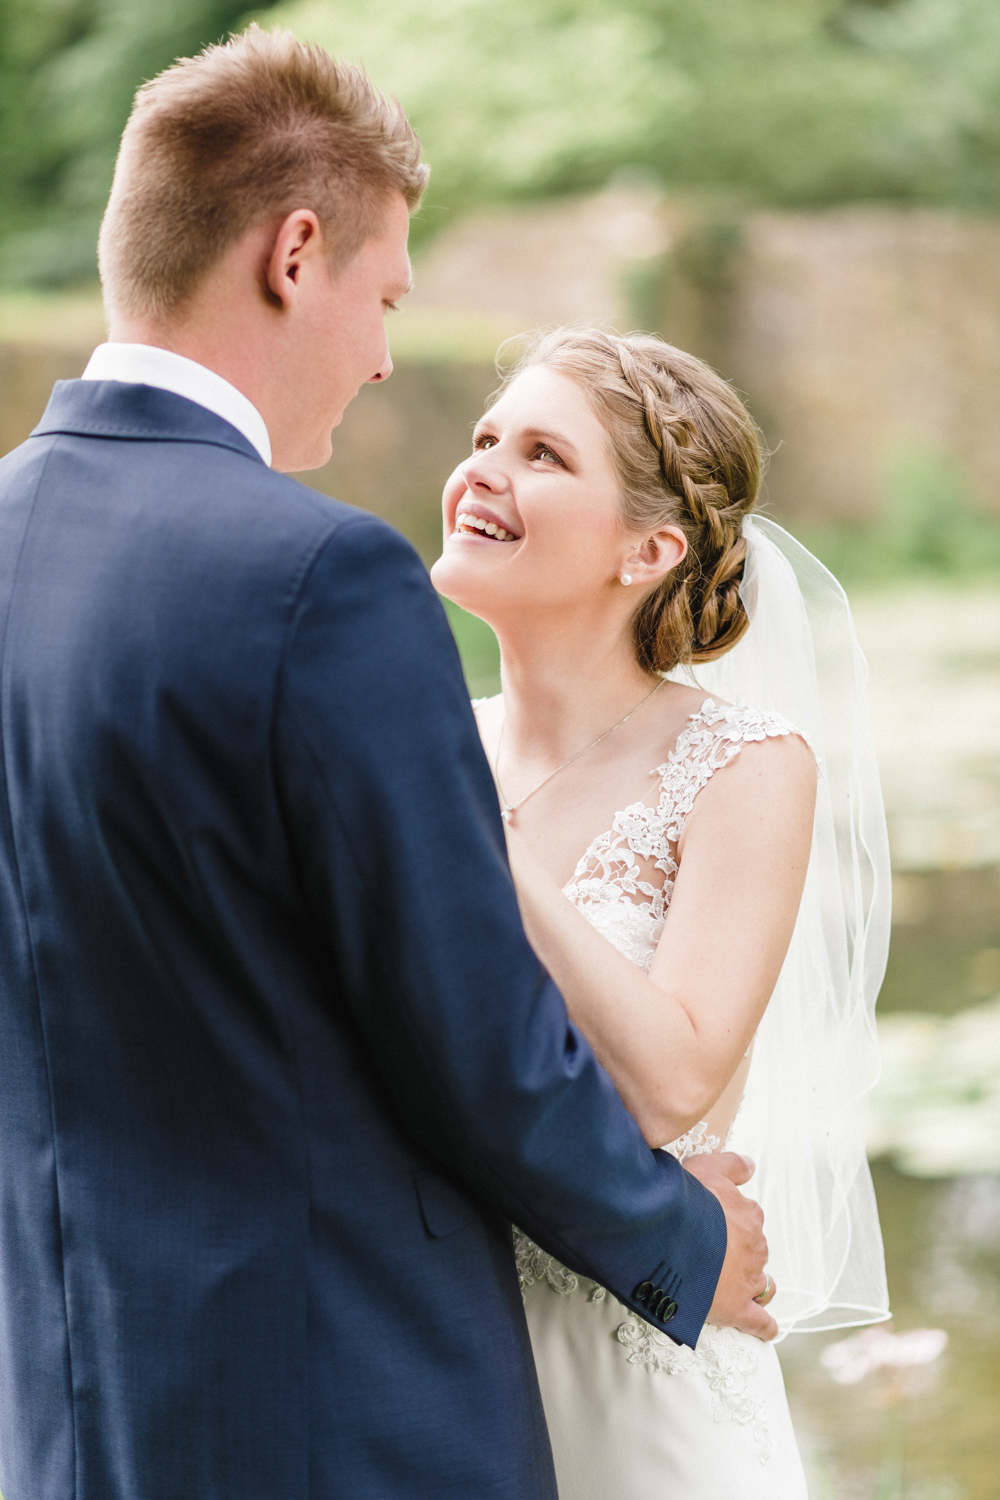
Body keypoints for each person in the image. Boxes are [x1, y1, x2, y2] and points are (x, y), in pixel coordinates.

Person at [0, 29, 775, 1500]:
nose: (378, 356)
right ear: (298, 254)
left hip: (65, 1405)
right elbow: (471, 1034)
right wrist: (679, 1236)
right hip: (336, 1411)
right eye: (386, 297)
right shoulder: (320, 579)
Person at [431, 328, 892, 1498]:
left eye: (541, 453)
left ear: (648, 548)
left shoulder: (742, 764)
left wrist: (473, 834)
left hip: (641, 1369)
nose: (482, 468)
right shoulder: (423, 743)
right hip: (439, 1354)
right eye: (487, 438)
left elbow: (667, 1082)